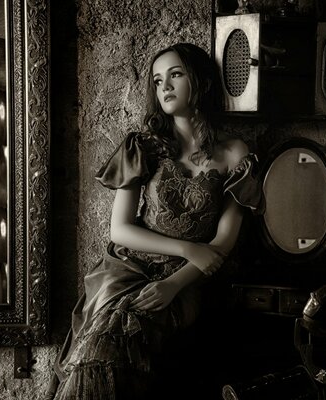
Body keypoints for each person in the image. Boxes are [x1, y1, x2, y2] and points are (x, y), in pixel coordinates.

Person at [47, 42, 265, 400]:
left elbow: (220, 247)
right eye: (157, 79)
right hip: (127, 270)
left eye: (175, 75)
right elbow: (120, 230)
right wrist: (187, 247)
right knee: (105, 343)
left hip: (187, 279)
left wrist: (174, 284)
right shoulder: (143, 147)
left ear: (202, 83)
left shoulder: (235, 154)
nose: (164, 86)